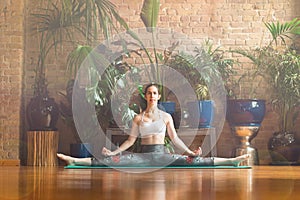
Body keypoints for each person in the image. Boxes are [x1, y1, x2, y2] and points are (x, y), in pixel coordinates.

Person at [57, 83, 250, 167]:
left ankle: (231, 161)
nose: (151, 95)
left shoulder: (166, 117)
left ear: (158, 97)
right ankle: (75, 160)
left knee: (196, 160)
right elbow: (131, 141)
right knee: (112, 161)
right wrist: (114, 153)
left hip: (163, 155)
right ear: (145, 96)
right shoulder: (138, 119)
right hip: (143, 157)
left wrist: (190, 152)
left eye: (154, 93)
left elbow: (174, 138)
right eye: (149, 93)